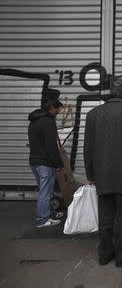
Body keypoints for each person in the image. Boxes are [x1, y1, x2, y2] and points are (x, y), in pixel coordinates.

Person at [84, 80, 122, 267]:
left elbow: (88, 147)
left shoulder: (93, 114)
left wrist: (90, 173)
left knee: (105, 214)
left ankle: (105, 253)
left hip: (101, 173)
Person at [28, 98, 65, 228]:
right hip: (45, 163)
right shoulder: (48, 122)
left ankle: (50, 214)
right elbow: (51, 146)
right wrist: (59, 164)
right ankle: (43, 220)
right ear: (51, 108)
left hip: (34, 162)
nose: (59, 111)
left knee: (45, 190)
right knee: (46, 192)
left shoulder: (34, 121)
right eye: (57, 108)